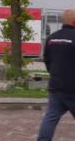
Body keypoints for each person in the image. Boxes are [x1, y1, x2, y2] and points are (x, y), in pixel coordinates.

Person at [37, 9, 75, 140]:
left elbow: (47, 60)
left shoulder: (51, 38)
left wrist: (56, 74)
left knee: (50, 118)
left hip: (56, 87)